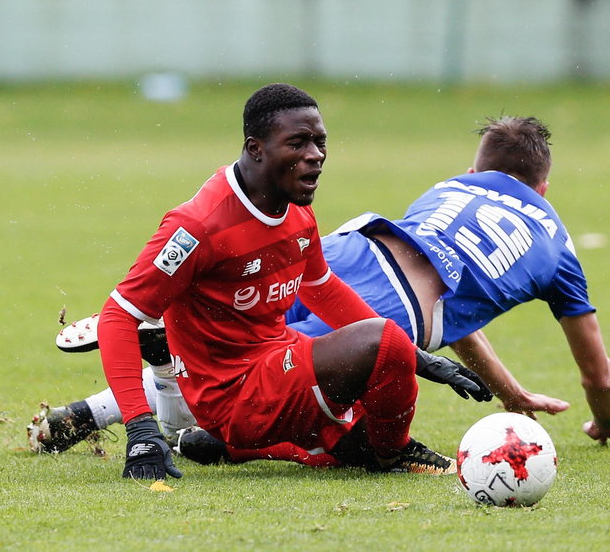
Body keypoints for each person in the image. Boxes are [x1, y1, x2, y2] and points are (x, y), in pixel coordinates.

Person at [29, 113, 610, 468]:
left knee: (239, 339)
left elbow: (445, 283)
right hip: (387, 307)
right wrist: (601, 422)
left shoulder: (451, 189)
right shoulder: (554, 238)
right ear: (544, 188)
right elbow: (596, 376)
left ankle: (107, 394)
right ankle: (173, 389)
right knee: (262, 403)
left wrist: (505, 389)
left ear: (477, 172)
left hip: (349, 251)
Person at [87, 83, 491, 481]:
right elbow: (117, 316)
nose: (315, 156)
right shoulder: (198, 225)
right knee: (381, 344)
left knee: (366, 406)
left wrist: (418, 358)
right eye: (298, 143)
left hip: (277, 359)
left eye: (320, 142)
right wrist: (141, 431)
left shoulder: (296, 211)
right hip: (232, 392)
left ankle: (236, 447)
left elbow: (321, 288)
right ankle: (391, 455)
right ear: (255, 149)